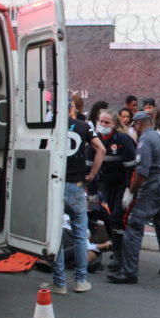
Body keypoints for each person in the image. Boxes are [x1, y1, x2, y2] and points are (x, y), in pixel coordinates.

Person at [108, 111, 160, 284]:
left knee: (134, 227)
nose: (135, 129)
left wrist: (131, 192)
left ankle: (129, 272)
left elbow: (142, 173)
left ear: (139, 124)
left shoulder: (145, 140)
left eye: (135, 126)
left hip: (152, 187)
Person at [43, 113, 105, 294]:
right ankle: (80, 281)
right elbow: (101, 149)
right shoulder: (84, 126)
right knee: (79, 235)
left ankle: (59, 283)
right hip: (77, 186)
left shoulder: (50, 126)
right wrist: (92, 174)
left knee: (56, 236)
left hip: (56, 184)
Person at [92, 108, 136, 272]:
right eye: (101, 122)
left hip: (122, 185)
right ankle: (116, 246)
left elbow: (132, 169)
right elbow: (91, 168)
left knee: (118, 217)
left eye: (106, 122)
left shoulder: (123, 140)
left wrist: (130, 191)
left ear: (114, 124)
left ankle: (119, 255)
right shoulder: (95, 141)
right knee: (111, 218)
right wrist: (92, 191)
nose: (103, 125)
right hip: (107, 185)